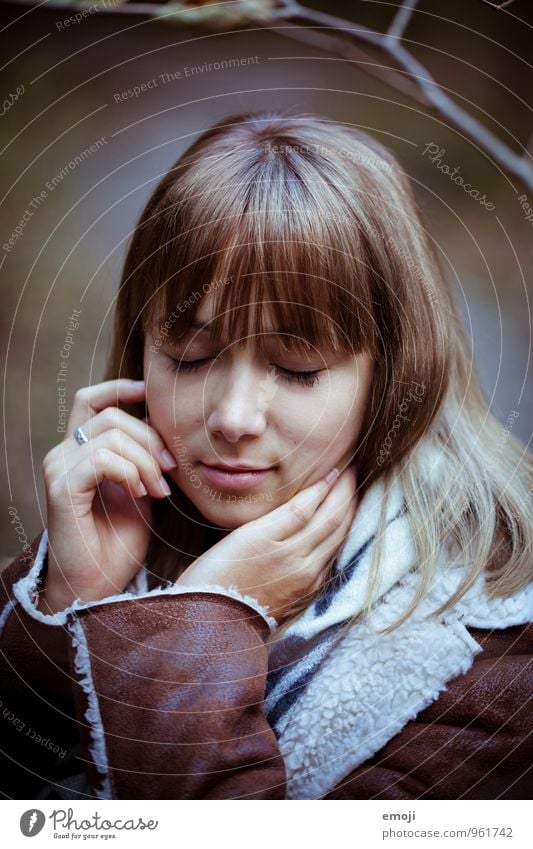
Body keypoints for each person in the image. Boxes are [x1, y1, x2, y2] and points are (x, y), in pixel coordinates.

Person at [0, 111, 531, 801]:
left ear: (394, 370)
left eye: (296, 367)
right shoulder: (118, 522)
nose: (232, 418)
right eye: (189, 357)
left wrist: (197, 630)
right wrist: (66, 606)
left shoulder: (497, 652)